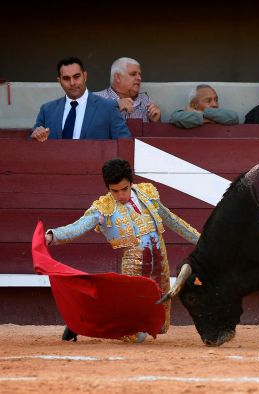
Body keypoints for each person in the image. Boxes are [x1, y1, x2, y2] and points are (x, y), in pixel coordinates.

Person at [45, 158, 200, 343]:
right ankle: (80, 324)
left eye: (124, 189)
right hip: (134, 264)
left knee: (156, 313)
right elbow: (78, 227)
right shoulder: (103, 207)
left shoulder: (147, 194)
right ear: (108, 188)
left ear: (131, 183)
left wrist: (201, 240)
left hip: (160, 261)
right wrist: (52, 236)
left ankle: (83, 323)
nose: (120, 195)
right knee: (133, 327)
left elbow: (172, 220)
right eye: (114, 191)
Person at [31, 57, 131, 141]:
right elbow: (32, 146)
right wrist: (36, 135)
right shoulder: (47, 110)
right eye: (66, 78)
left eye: (76, 76)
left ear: (85, 76)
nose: (72, 83)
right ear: (59, 81)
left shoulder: (108, 107)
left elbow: (124, 143)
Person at [95, 57, 161, 123]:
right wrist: (113, 108)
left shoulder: (145, 100)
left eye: (139, 74)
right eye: (133, 74)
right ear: (118, 77)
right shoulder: (95, 99)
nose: (139, 78)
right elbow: (88, 129)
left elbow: (157, 132)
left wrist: (156, 122)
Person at [169, 84, 239, 128]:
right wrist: (210, 119)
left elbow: (233, 117)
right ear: (193, 104)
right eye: (208, 101)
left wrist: (199, 113)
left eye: (216, 100)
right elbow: (177, 119)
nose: (215, 104)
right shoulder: (182, 114)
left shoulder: (222, 115)